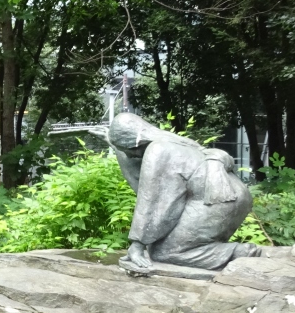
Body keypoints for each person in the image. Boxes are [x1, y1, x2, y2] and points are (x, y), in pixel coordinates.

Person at [107, 112, 259, 274]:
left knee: (165, 253)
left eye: (126, 151)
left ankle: (237, 253)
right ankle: (224, 252)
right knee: (166, 246)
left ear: (134, 144)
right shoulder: (173, 143)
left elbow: (155, 201)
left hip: (216, 198)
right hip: (233, 193)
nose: (128, 156)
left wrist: (137, 245)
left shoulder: (157, 150)